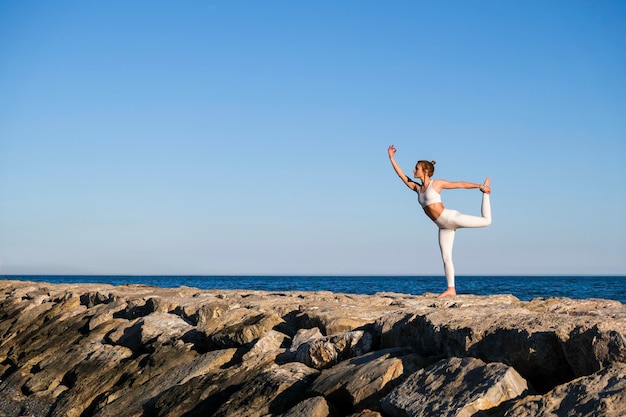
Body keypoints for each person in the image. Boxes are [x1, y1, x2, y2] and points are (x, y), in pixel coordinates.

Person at [387, 145, 491, 297]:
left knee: (486, 221)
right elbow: (402, 176)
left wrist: (480, 186)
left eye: (416, 168)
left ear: (425, 171)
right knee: (446, 257)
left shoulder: (436, 184)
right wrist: (392, 158)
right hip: (443, 227)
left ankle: (487, 193)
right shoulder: (417, 188)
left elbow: (459, 184)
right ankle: (451, 289)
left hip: (451, 217)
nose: (413, 170)